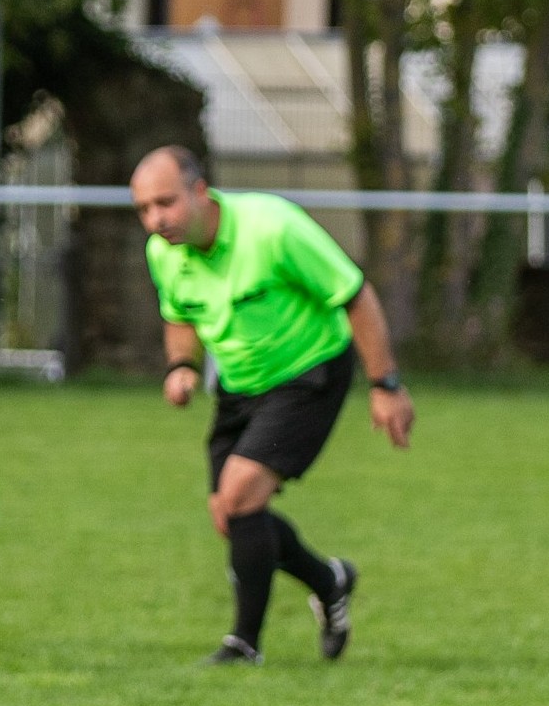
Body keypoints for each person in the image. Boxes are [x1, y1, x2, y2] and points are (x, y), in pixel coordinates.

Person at [129, 146, 415, 664]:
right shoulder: (163, 252)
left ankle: (244, 645)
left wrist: (385, 385)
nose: (155, 220)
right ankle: (329, 581)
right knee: (231, 516)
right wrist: (181, 366)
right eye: (144, 209)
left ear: (200, 191)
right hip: (240, 384)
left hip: (310, 372)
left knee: (239, 494)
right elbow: (179, 315)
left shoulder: (272, 228)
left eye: (165, 203)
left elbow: (355, 295)